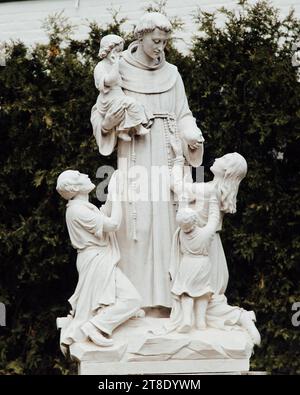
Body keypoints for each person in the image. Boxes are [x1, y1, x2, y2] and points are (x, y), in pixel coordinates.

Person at [91, 12, 204, 308]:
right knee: (136, 227)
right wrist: (107, 125)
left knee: (169, 224)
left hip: (168, 157)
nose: (160, 47)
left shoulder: (173, 73)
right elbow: (101, 112)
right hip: (135, 157)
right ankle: (135, 305)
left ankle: (170, 303)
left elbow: (183, 114)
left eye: (164, 42)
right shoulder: (118, 68)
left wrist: (191, 134)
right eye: (155, 41)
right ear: (140, 38)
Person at [169, 136, 261, 345]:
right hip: (209, 247)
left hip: (201, 250)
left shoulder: (211, 190)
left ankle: (241, 317)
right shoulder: (216, 189)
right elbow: (190, 190)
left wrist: (177, 159)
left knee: (206, 299)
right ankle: (220, 324)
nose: (217, 157)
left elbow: (179, 187)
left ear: (226, 171)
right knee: (206, 299)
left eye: (223, 158)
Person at [56, 170, 141, 349]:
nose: (86, 175)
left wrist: (113, 190)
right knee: (131, 299)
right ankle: (95, 326)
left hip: (98, 258)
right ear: (74, 187)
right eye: (79, 176)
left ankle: (99, 323)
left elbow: (105, 215)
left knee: (115, 299)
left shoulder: (84, 207)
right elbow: (112, 224)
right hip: (96, 259)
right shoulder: (78, 211)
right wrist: (117, 196)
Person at [170, 192, 219, 333]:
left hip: (187, 264)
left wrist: (183, 201)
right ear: (195, 221)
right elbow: (214, 219)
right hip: (202, 264)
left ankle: (186, 319)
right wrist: (214, 200)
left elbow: (182, 216)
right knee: (202, 292)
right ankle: (200, 321)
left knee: (186, 292)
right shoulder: (206, 234)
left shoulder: (180, 233)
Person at [94, 34, 152, 142]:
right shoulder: (100, 67)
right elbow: (110, 81)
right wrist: (116, 63)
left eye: (121, 51)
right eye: (117, 51)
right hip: (108, 99)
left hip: (117, 96)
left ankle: (123, 131)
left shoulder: (118, 65)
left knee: (130, 105)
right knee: (130, 102)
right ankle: (138, 128)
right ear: (108, 51)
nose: (120, 54)